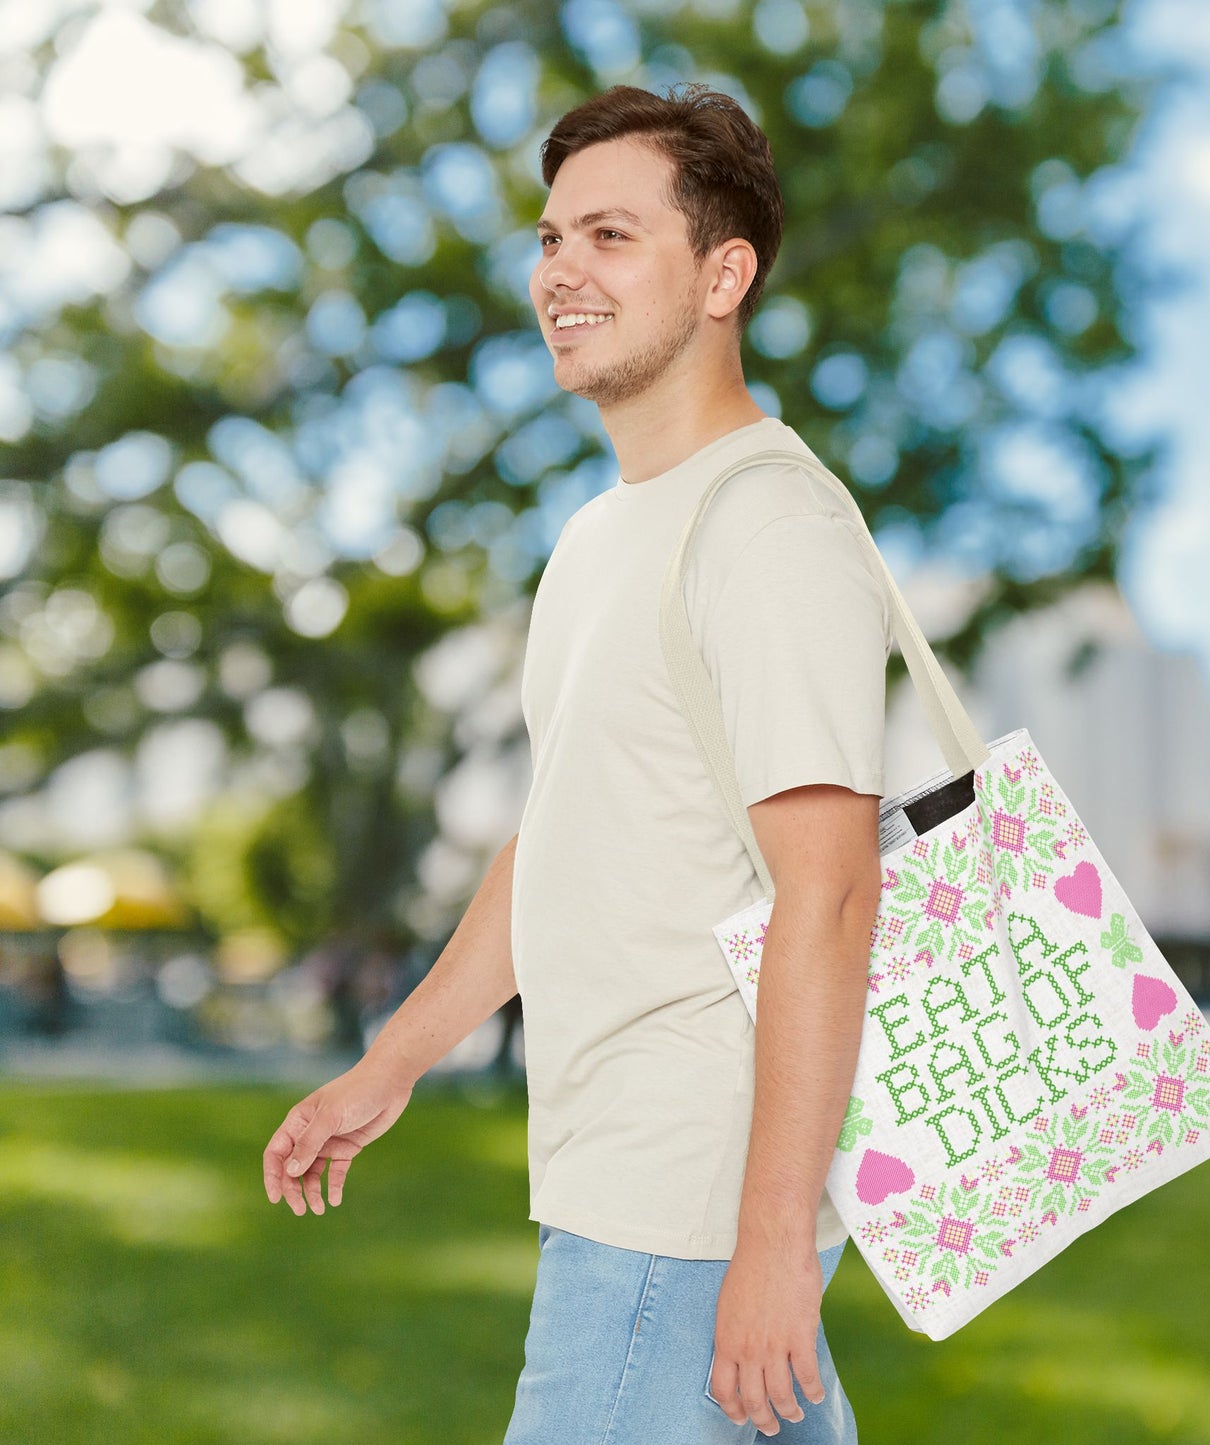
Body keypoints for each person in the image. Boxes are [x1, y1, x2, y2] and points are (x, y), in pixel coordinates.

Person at [262, 81, 893, 1443]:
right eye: (550, 239)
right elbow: (557, 843)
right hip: (631, 1188)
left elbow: (830, 889)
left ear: (723, 273)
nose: (559, 272)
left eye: (610, 236)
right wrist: (392, 1061)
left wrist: (769, 1244)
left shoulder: (766, 524)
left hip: (680, 1211)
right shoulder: (602, 538)